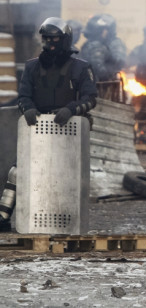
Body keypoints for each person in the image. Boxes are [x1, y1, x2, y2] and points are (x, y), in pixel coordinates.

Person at [0, 18, 97, 231]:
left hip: (67, 131)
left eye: (55, 39)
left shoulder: (80, 68)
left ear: (64, 40)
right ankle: (3, 217)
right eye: (46, 39)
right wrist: (29, 109)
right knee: (17, 172)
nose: (50, 43)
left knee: (64, 175)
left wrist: (71, 109)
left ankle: (67, 220)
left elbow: (90, 98)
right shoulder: (32, 66)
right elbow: (23, 96)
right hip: (37, 130)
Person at [80, 13, 127, 82]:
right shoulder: (95, 45)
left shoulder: (114, 44)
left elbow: (119, 62)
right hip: (97, 85)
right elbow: (98, 69)